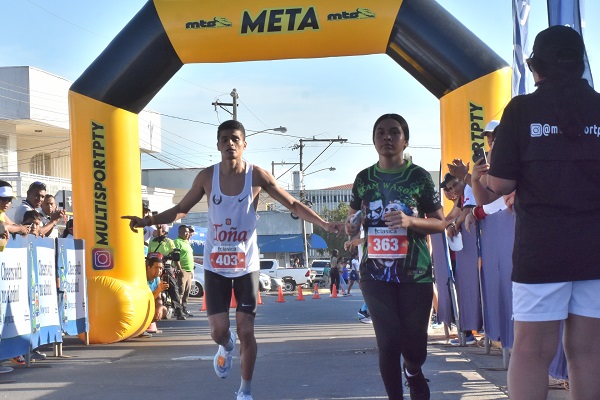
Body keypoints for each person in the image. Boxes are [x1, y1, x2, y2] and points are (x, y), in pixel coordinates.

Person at [123, 119, 343, 400]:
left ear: (244, 145)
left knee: (246, 331)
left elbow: (292, 204)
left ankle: (245, 391)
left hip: (246, 266)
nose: (230, 143)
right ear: (218, 145)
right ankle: (225, 347)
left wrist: (324, 224)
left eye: (235, 139)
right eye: (224, 139)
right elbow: (180, 210)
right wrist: (148, 220)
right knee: (219, 332)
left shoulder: (257, 176)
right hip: (216, 267)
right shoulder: (206, 177)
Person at [486, 26, 600, 400]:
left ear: (536, 66)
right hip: (595, 249)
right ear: (581, 63)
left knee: (532, 351)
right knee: (589, 352)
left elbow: (501, 183)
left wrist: (482, 177)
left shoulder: (521, 110)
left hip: (541, 250)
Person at [346, 113, 445, 400]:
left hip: (415, 273)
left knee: (415, 349)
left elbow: (440, 223)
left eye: (394, 132)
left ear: (405, 140)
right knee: (388, 342)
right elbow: (353, 221)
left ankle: (413, 371)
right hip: (375, 274)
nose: (387, 137)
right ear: (374, 139)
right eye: (380, 132)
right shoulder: (363, 179)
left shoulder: (419, 177)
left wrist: (409, 221)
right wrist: (352, 226)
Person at [148, 224, 186, 321]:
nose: (158, 232)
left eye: (161, 230)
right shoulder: (152, 241)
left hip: (166, 267)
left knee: (172, 286)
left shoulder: (169, 242)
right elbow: (148, 255)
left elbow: (175, 255)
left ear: (165, 233)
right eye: (157, 230)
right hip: (154, 266)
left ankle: (178, 310)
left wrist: (178, 267)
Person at [174, 224, 195, 317]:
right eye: (185, 232)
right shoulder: (177, 241)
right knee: (181, 292)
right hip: (182, 270)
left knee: (187, 291)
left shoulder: (187, 242)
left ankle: (184, 308)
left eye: (188, 232)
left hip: (189, 271)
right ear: (180, 232)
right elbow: (176, 257)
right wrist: (179, 269)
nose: (187, 233)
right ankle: (178, 311)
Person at [146, 254, 169, 323]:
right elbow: (146, 300)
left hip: (150, 306)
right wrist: (159, 289)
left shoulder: (157, 279)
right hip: (142, 306)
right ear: (148, 268)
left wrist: (159, 308)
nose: (159, 270)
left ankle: (148, 325)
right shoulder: (143, 279)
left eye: (161, 268)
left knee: (163, 310)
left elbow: (158, 298)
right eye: (156, 267)